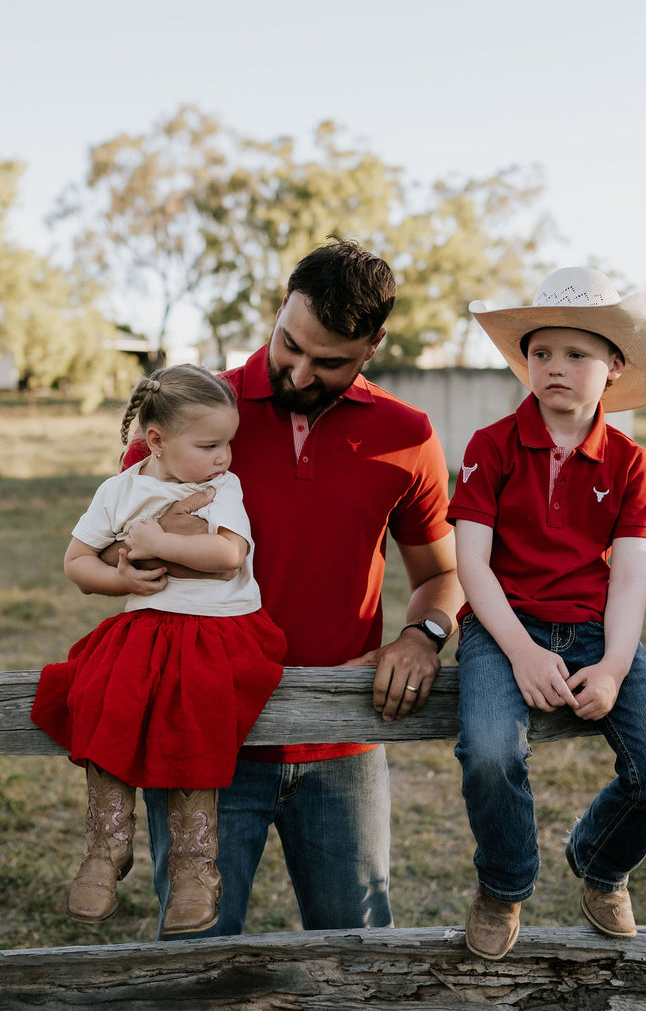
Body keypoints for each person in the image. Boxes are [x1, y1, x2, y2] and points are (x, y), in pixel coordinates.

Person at [119, 237, 462, 937]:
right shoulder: (185, 417)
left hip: (344, 737)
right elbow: (122, 560)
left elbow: (441, 574)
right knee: (195, 956)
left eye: (328, 362)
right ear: (281, 306)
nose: (300, 373)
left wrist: (421, 636)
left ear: (373, 346)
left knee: (357, 954)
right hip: (202, 736)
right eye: (289, 344)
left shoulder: (407, 435)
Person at [448, 266, 646, 960]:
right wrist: (521, 651)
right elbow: (472, 564)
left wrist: (612, 666)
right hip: (502, 625)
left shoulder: (629, 461)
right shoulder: (490, 445)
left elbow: (630, 574)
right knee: (490, 751)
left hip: (594, 628)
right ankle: (503, 884)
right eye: (541, 352)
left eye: (576, 353)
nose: (554, 366)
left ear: (614, 367)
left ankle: (601, 862)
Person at [31, 364, 286, 936]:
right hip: (151, 623)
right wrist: (121, 580)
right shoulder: (118, 491)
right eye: (209, 446)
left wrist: (157, 541)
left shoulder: (220, 489)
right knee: (100, 689)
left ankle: (195, 868)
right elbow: (77, 562)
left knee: (194, 703)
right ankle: (106, 844)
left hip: (220, 627)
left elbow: (229, 557)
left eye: (228, 444)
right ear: (157, 440)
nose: (224, 457)